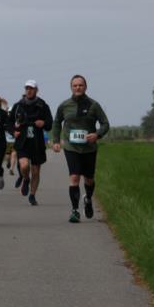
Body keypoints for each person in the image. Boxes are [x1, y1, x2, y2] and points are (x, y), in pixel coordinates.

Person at [51, 75, 110, 223]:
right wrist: (56, 141)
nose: (78, 87)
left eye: (80, 85)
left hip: (89, 148)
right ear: (71, 87)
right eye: (75, 85)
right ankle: (75, 210)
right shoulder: (65, 105)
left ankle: (88, 198)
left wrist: (97, 135)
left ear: (85, 87)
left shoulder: (94, 105)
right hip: (71, 147)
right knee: (74, 177)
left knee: (89, 179)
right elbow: (57, 122)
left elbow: (105, 124)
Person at [9, 80, 53, 206]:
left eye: (31, 88)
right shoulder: (18, 105)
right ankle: (26, 179)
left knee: (35, 171)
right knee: (24, 166)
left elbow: (50, 123)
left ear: (36, 90)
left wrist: (43, 123)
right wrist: (13, 131)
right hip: (22, 142)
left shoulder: (43, 105)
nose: (29, 91)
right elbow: (9, 122)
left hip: (37, 142)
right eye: (27, 88)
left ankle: (32, 195)